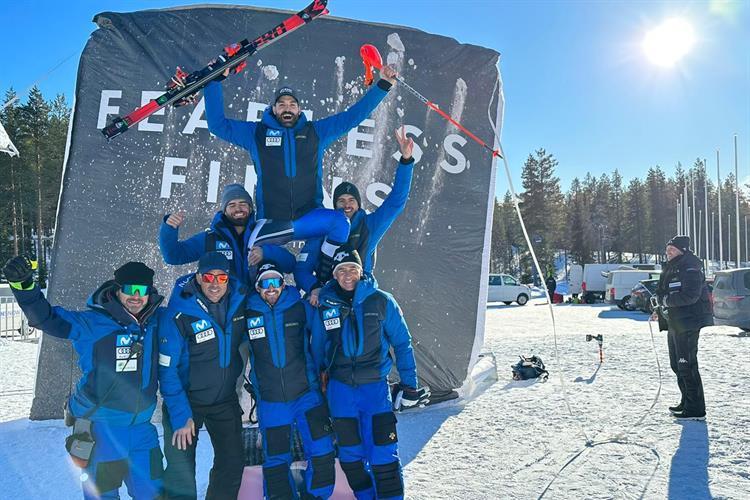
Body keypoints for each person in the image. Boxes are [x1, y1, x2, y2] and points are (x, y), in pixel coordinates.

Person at [203, 64, 398, 283]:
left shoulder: (315, 133)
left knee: (340, 223)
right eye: (282, 104)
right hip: (272, 223)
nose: (287, 109)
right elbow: (217, 125)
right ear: (274, 109)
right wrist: (213, 82)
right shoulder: (255, 134)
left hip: (308, 218)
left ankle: (325, 274)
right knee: (250, 258)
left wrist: (383, 85)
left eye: (292, 105)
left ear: (299, 110)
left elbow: (351, 117)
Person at [2, 257, 165, 499]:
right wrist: (24, 286)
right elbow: (46, 319)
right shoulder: (92, 323)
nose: (136, 296)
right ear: (117, 290)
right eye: (129, 289)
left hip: (143, 431)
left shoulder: (156, 322)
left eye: (142, 290)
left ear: (150, 293)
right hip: (103, 433)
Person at [311, 246, 429, 500]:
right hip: (340, 390)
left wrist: (410, 385)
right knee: (350, 457)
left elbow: (402, 343)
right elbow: (318, 347)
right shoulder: (325, 304)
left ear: (360, 271)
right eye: (341, 270)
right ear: (334, 275)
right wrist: (317, 383)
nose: (347, 275)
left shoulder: (381, 300)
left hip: (374, 389)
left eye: (352, 269)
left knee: (383, 454)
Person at [158, 252, 249, 499]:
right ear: (198, 277)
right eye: (208, 277)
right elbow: (166, 370)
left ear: (228, 279)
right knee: (181, 472)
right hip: (187, 402)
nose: (214, 283)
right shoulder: (178, 313)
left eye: (221, 278)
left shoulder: (240, 300)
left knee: (232, 465)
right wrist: (180, 415)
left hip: (224, 400)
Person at [246, 260, 336, 499]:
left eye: (275, 282)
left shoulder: (300, 306)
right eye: (265, 284)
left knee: (322, 450)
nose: (271, 288)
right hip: (272, 399)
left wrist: (316, 289)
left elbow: (319, 336)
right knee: (276, 460)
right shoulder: (248, 312)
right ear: (257, 288)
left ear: (283, 284)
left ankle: (315, 496)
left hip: (306, 394)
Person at [295, 125, 415, 305]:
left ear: (359, 204)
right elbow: (301, 269)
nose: (346, 204)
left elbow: (396, 202)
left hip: (360, 296)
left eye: (351, 200)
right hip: (326, 296)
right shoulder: (321, 230)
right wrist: (314, 288)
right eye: (341, 200)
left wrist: (406, 160)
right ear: (334, 206)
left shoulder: (369, 225)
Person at [159, 183, 295, 285]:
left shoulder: (262, 233)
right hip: (226, 310)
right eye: (232, 205)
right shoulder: (210, 238)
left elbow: (290, 264)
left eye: (243, 204)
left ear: (250, 208)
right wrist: (169, 228)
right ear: (224, 210)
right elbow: (173, 256)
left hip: (258, 308)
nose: (238, 209)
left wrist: (266, 253)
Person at [653, 235, 712, 421]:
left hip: (688, 323)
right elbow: (664, 292)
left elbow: (690, 296)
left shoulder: (690, 268)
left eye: (672, 249)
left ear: (682, 250)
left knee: (687, 365)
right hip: (674, 323)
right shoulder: (672, 267)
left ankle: (695, 408)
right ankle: (687, 401)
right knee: (676, 364)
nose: (668, 253)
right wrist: (657, 306)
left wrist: (665, 301)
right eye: (667, 249)